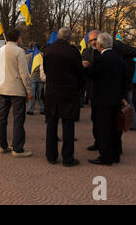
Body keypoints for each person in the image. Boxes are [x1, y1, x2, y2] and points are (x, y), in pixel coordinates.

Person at [83, 31, 136, 151]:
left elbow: (134, 51)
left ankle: (116, 147)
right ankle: (99, 142)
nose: (93, 42)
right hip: (96, 92)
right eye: (90, 40)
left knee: (116, 120)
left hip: (115, 91)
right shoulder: (87, 52)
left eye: (95, 39)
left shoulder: (115, 47)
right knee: (96, 119)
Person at [43, 27, 83, 167]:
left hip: (52, 91)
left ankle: (51, 155)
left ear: (58, 37)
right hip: (68, 92)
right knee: (68, 124)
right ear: (69, 38)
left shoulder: (48, 50)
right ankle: (67, 157)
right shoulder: (73, 52)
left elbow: (46, 70)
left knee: (52, 123)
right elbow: (79, 72)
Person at [87, 33, 128, 166]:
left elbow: (92, 75)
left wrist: (87, 67)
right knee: (115, 128)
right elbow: (124, 80)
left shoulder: (101, 59)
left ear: (99, 44)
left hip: (102, 100)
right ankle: (116, 154)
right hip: (116, 99)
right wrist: (123, 96)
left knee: (104, 128)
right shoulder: (119, 58)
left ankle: (105, 157)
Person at [0, 28, 33, 158]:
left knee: (2, 118)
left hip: (2, 88)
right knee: (18, 119)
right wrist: (29, 90)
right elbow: (24, 73)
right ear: (18, 38)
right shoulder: (19, 51)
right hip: (16, 89)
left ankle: (2, 145)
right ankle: (17, 148)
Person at [27, 43, 45, 116]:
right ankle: (42, 109)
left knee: (32, 94)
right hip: (40, 77)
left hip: (33, 77)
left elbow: (27, 66)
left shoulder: (30, 55)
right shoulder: (42, 55)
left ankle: (31, 109)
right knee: (40, 95)